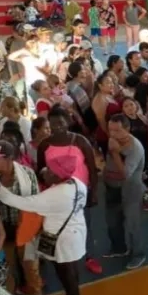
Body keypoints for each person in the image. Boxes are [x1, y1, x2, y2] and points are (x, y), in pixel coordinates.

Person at [0, 154, 89, 295]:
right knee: (70, 271)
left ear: (58, 174)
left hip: (62, 240)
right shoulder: (78, 183)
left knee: (67, 274)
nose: (45, 172)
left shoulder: (55, 194)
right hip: (75, 234)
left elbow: (21, 203)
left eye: (50, 171)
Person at [36, 107, 100, 275]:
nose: (57, 127)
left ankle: (89, 256)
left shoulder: (80, 141)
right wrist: (45, 175)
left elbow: (92, 169)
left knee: (83, 224)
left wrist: (94, 192)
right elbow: (40, 170)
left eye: (60, 123)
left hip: (79, 193)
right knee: (57, 226)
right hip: (56, 195)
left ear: (68, 122)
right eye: (53, 124)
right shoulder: (45, 145)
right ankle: (57, 256)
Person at [0, 141, 46, 295]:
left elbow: (35, 201)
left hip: (25, 226)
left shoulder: (28, 174)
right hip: (1, 230)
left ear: (9, 158)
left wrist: (37, 227)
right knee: (6, 265)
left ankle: (36, 292)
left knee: (30, 263)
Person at [104, 114, 146, 270]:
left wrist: (115, 152)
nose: (113, 134)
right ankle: (119, 248)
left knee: (132, 223)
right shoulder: (112, 141)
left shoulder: (135, 148)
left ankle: (138, 254)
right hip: (112, 187)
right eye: (110, 130)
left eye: (117, 130)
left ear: (128, 129)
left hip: (130, 189)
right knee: (113, 220)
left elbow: (125, 174)